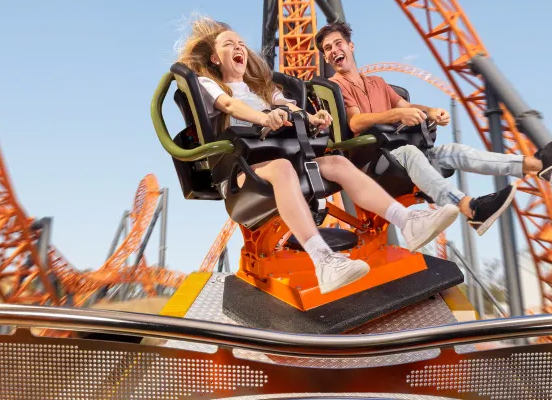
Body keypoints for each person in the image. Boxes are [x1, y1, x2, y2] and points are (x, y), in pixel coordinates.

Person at [175, 16, 460, 294]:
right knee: (282, 169)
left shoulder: (262, 89)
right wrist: (263, 118)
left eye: (240, 43)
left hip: (285, 158)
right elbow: (230, 106)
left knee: (337, 162)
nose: (238, 47)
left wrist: (313, 118)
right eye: (228, 44)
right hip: (241, 170)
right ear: (215, 59)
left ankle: (407, 222)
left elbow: (288, 106)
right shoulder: (209, 84)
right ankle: (324, 261)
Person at [316, 21, 552, 236]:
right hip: (373, 163)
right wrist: (396, 114)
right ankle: (471, 209)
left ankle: (539, 165)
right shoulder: (337, 87)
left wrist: (430, 111)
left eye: (338, 43)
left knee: (453, 151)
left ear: (351, 46)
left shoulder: (377, 82)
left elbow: (407, 106)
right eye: (328, 49)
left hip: (397, 152)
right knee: (411, 153)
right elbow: (355, 122)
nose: (334, 50)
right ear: (326, 57)